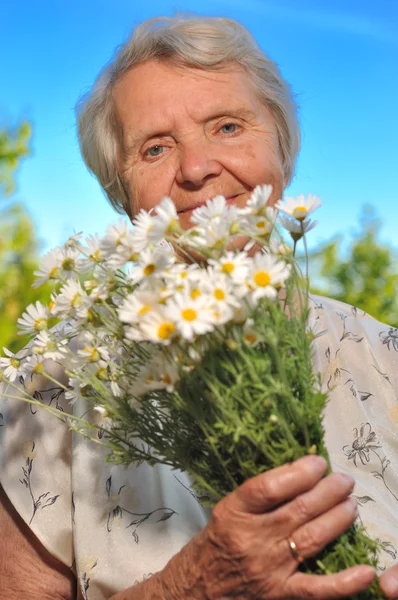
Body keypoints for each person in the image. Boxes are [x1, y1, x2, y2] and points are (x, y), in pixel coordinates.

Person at [1, 15, 398, 600]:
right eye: (156, 148)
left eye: (228, 126)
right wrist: (191, 587)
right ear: (125, 197)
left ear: (282, 153)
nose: (196, 169)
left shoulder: (381, 353)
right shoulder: (54, 382)